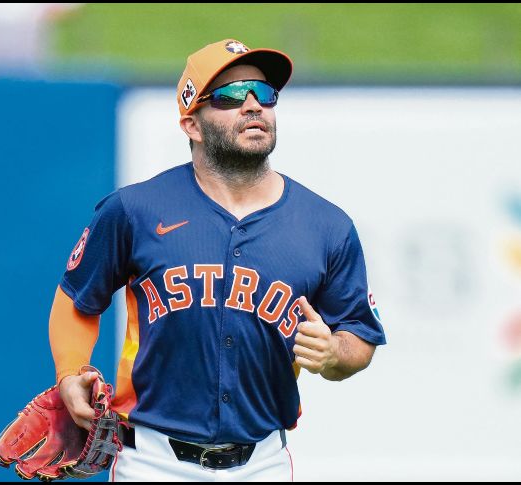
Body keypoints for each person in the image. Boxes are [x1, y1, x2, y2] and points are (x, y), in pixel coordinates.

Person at [48, 38, 387, 481]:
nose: (253, 106)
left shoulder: (327, 226)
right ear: (192, 124)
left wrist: (333, 353)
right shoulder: (135, 210)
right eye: (230, 96)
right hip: (152, 461)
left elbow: (358, 338)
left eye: (264, 94)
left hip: (261, 461)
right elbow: (77, 300)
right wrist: (70, 374)